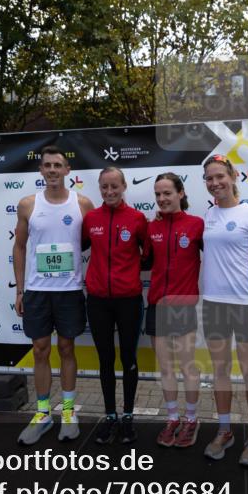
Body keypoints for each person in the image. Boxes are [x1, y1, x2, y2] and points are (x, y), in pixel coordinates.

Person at [12, 146, 94, 445]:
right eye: (47, 165)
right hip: (37, 291)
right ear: (41, 170)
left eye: (58, 165)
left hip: (70, 291)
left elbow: (94, 244)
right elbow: (19, 247)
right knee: (40, 350)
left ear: (67, 171)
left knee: (68, 349)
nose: (52, 170)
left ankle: (69, 412)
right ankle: (44, 412)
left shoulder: (82, 204)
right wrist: (19, 289)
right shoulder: (27, 205)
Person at [200, 154, 248, 467]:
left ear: (232, 176)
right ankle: (225, 430)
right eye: (210, 179)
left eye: (219, 176)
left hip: (244, 306)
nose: (215, 183)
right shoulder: (209, 214)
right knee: (220, 371)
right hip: (214, 304)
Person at [81, 167, 149, 444]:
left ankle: (128, 417)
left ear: (123, 187)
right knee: (106, 359)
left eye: (114, 186)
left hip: (129, 301)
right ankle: (110, 416)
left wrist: (128, 274)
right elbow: (82, 247)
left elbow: (148, 255)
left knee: (129, 360)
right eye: (104, 187)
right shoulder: (91, 219)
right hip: (98, 301)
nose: (109, 192)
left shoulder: (137, 218)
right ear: (99, 188)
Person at [146, 172, 204, 449]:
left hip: (182, 306)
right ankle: (172, 418)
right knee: (166, 367)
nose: (162, 198)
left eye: (167, 193)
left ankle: (191, 418)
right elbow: (144, 261)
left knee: (187, 366)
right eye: (158, 194)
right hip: (156, 304)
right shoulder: (151, 228)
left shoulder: (197, 225)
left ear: (180, 193)